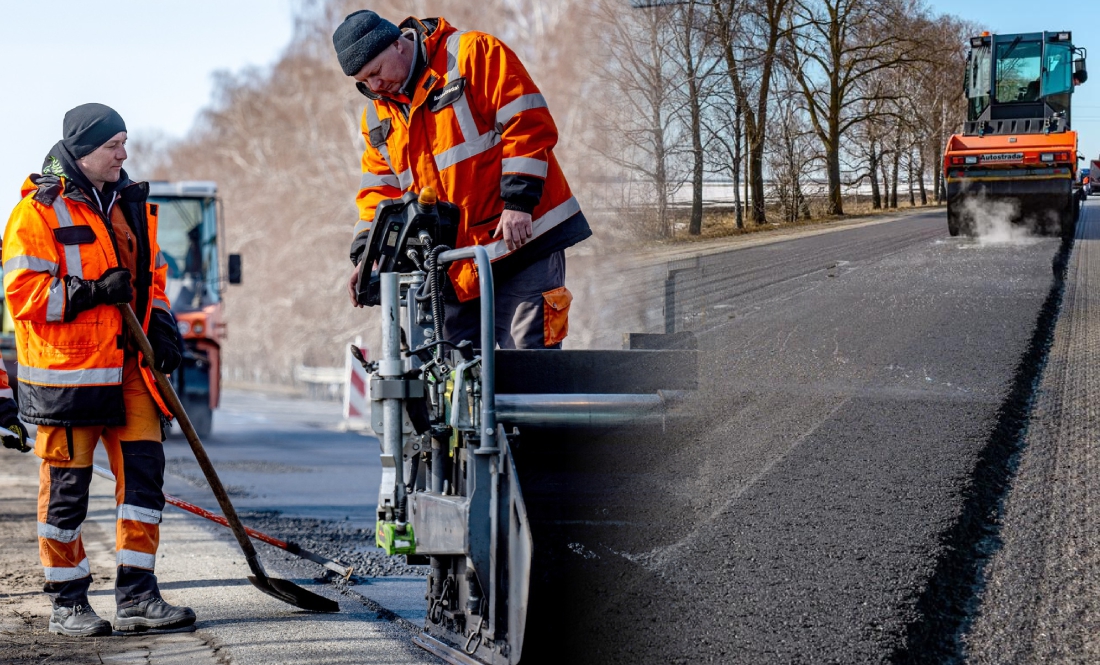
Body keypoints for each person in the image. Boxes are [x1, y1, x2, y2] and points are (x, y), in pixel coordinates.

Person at [2, 103, 193, 637]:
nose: (124, 154)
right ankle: (67, 602)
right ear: (84, 150)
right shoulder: (36, 213)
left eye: (125, 144)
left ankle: (137, 594)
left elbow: (151, 279)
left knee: (144, 480)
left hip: (132, 370)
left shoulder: (132, 205)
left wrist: (161, 323)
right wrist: (89, 294)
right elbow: (24, 296)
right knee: (67, 491)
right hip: (70, 380)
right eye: (114, 145)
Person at [333, 10, 592, 349]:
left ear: (397, 44)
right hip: (457, 264)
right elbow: (379, 190)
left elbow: (527, 123)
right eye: (364, 82)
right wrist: (368, 257)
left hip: (523, 241)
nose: (375, 86)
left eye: (377, 72)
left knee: (532, 364)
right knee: (457, 371)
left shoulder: (472, 54)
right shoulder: (378, 114)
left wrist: (518, 203)